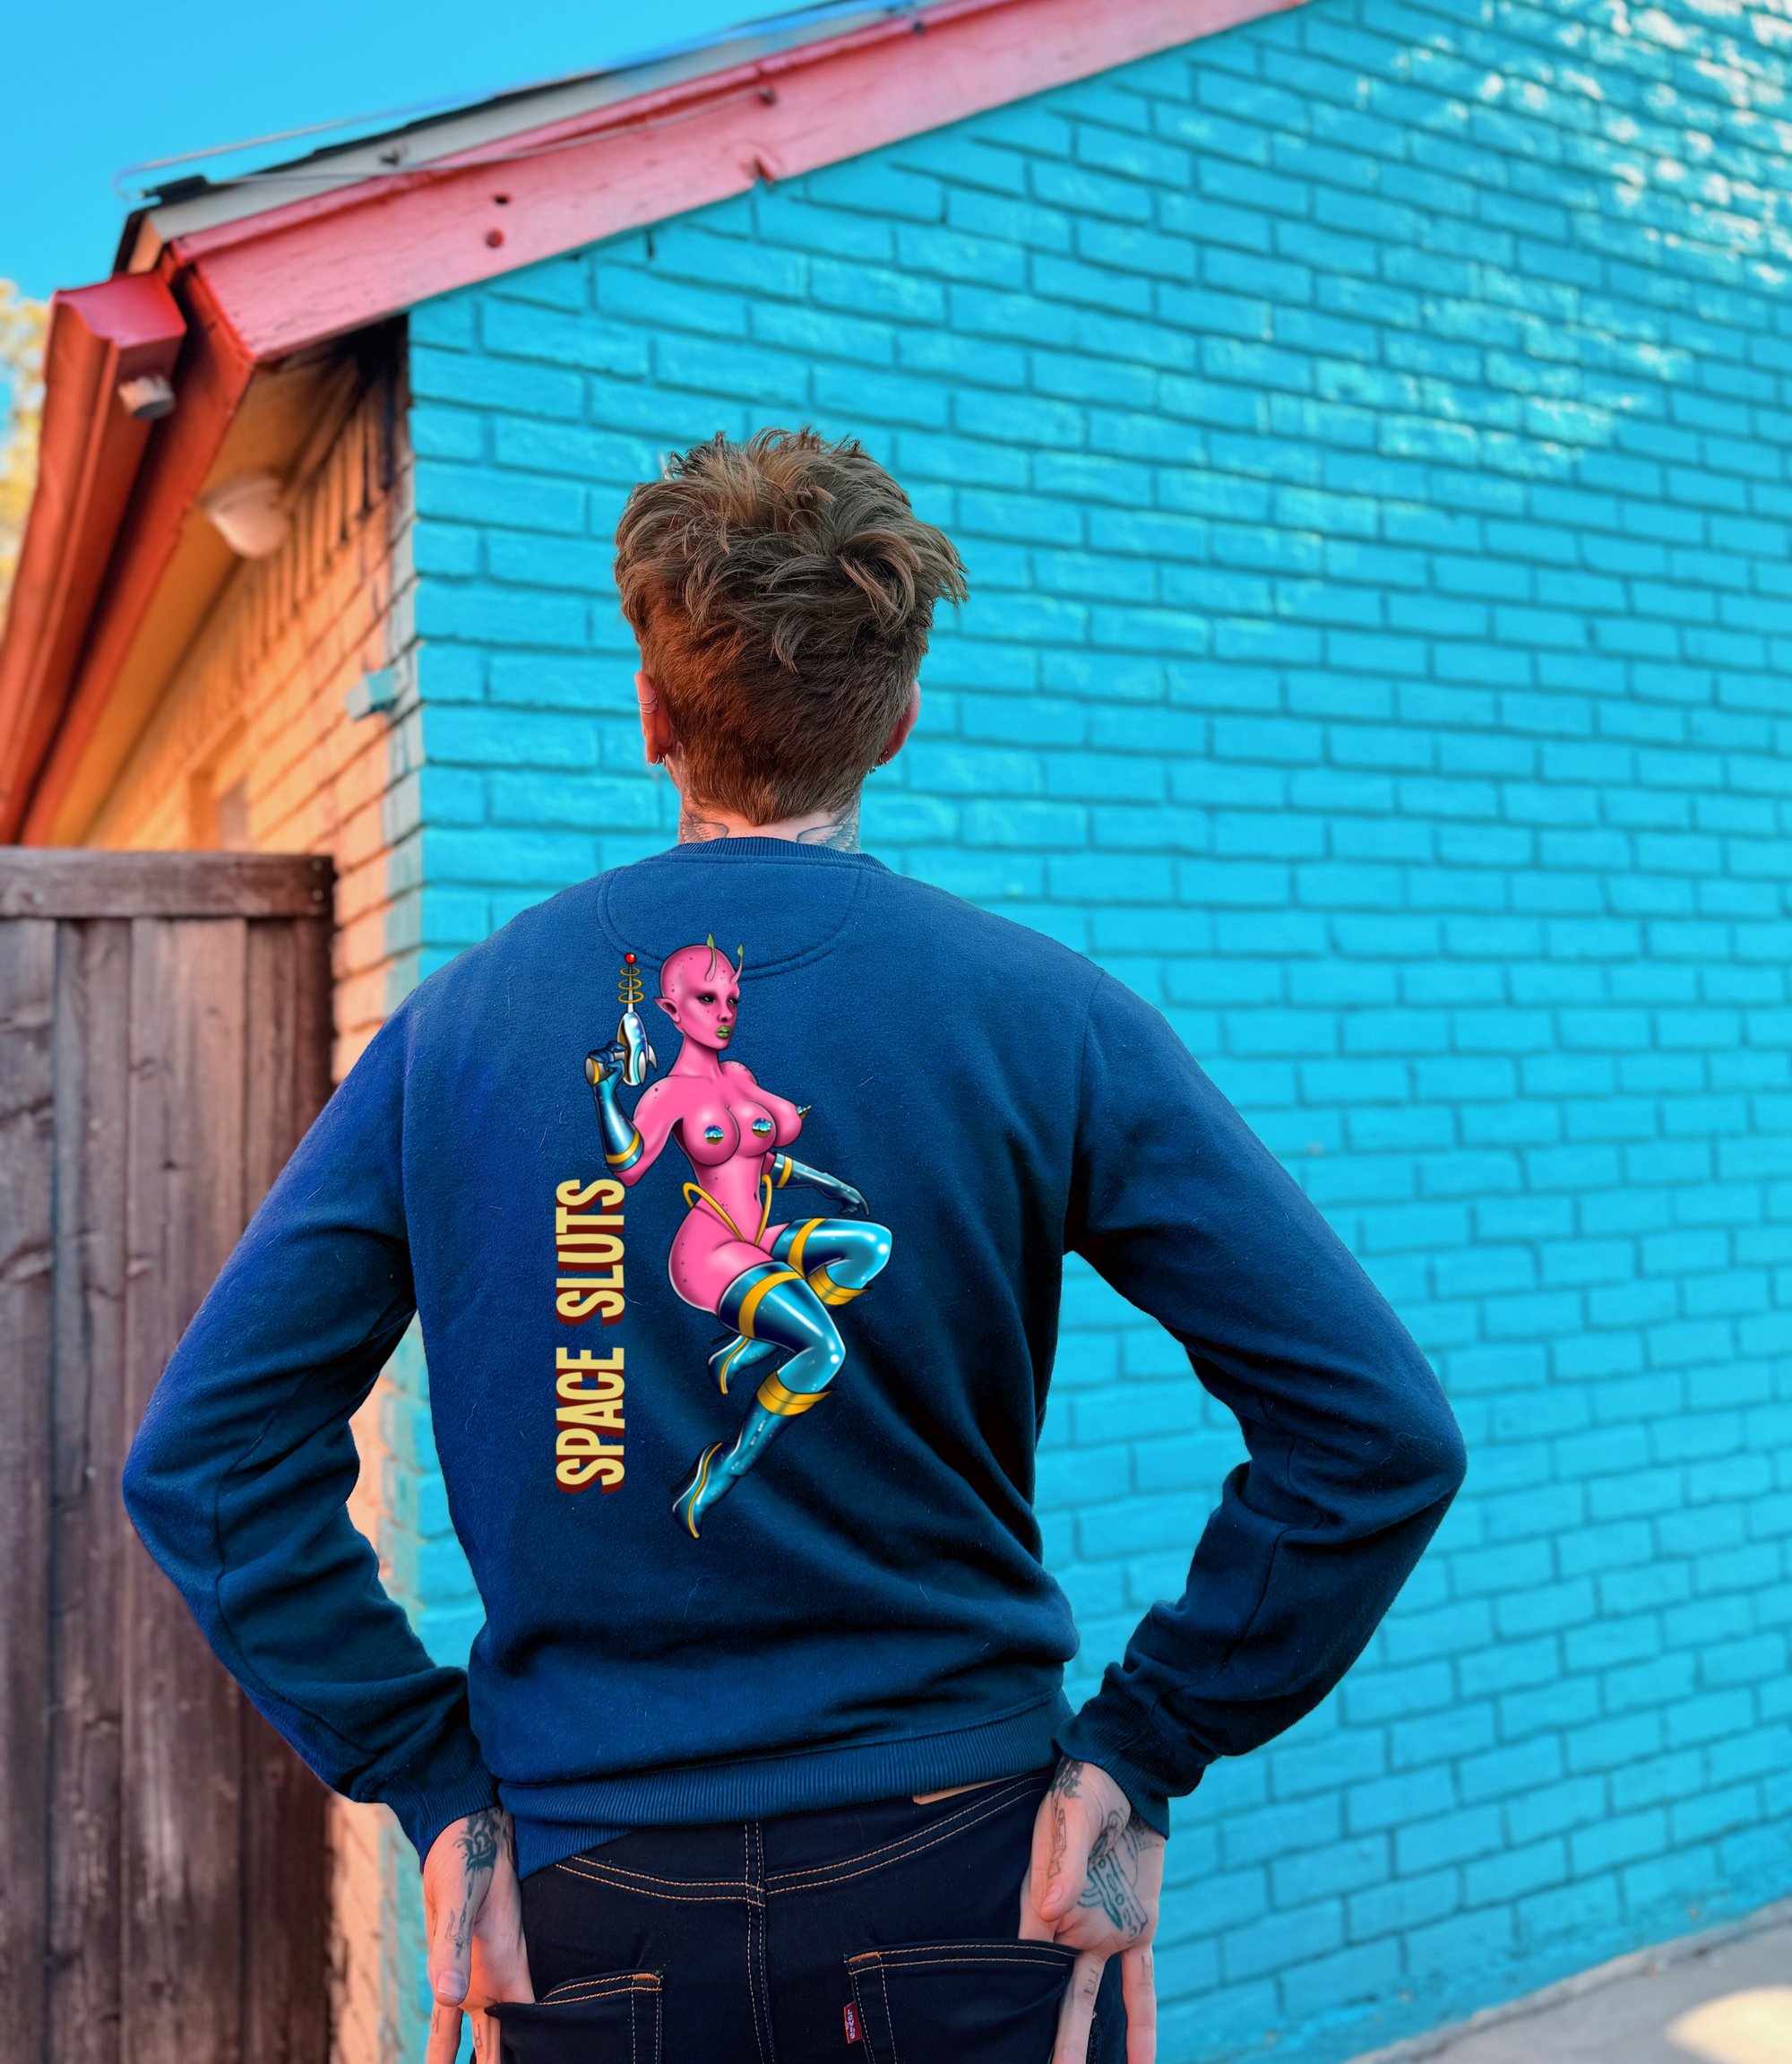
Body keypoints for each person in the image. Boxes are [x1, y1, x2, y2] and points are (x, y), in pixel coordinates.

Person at [124, 427, 1467, 2064]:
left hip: (586, 1902)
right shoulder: (1044, 1018)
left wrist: (428, 1777)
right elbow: (1376, 1435)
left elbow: (205, 1463)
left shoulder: (456, 1036)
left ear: (651, 714)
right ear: (898, 720)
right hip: (972, 1876)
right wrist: (1145, 1749)